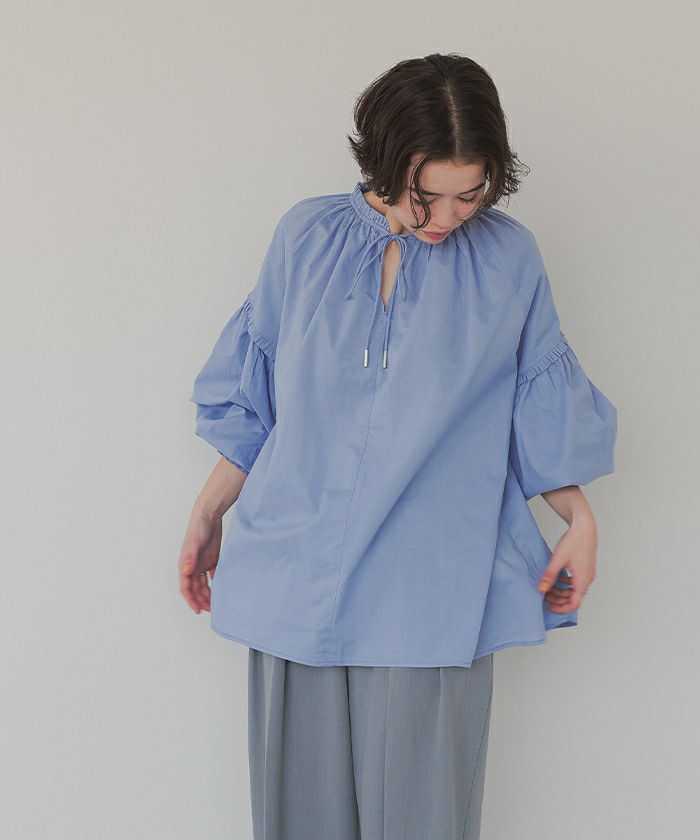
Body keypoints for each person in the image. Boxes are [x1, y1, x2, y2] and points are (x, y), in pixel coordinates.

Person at [179, 52, 618, 840]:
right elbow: (259, 397)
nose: (447, 217)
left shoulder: (508, 259)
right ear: (383, 162)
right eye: (425, 195)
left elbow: (535, 400)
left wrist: (579, 520)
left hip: (430, 588)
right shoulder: (305, 237)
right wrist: (208, 511)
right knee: (298, 820)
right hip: (295, 571)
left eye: (470, 194)